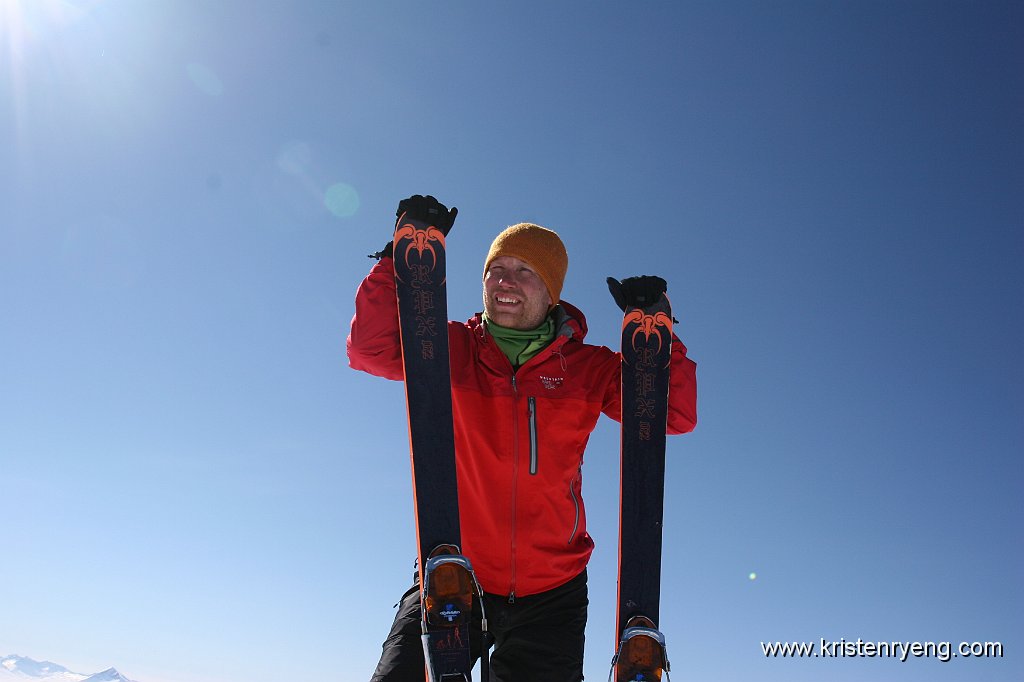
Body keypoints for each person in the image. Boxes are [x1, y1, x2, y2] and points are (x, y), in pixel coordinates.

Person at [347, 195, 697, 682]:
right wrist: (398, 259)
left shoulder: (588, 370)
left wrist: (657, 337)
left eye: (524, 271)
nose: (505, 281)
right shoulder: (450, 348)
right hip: (454, 577)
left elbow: (671, 415)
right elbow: (371, 349)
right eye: (496, 268)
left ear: (552, 291)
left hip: (552, 595)